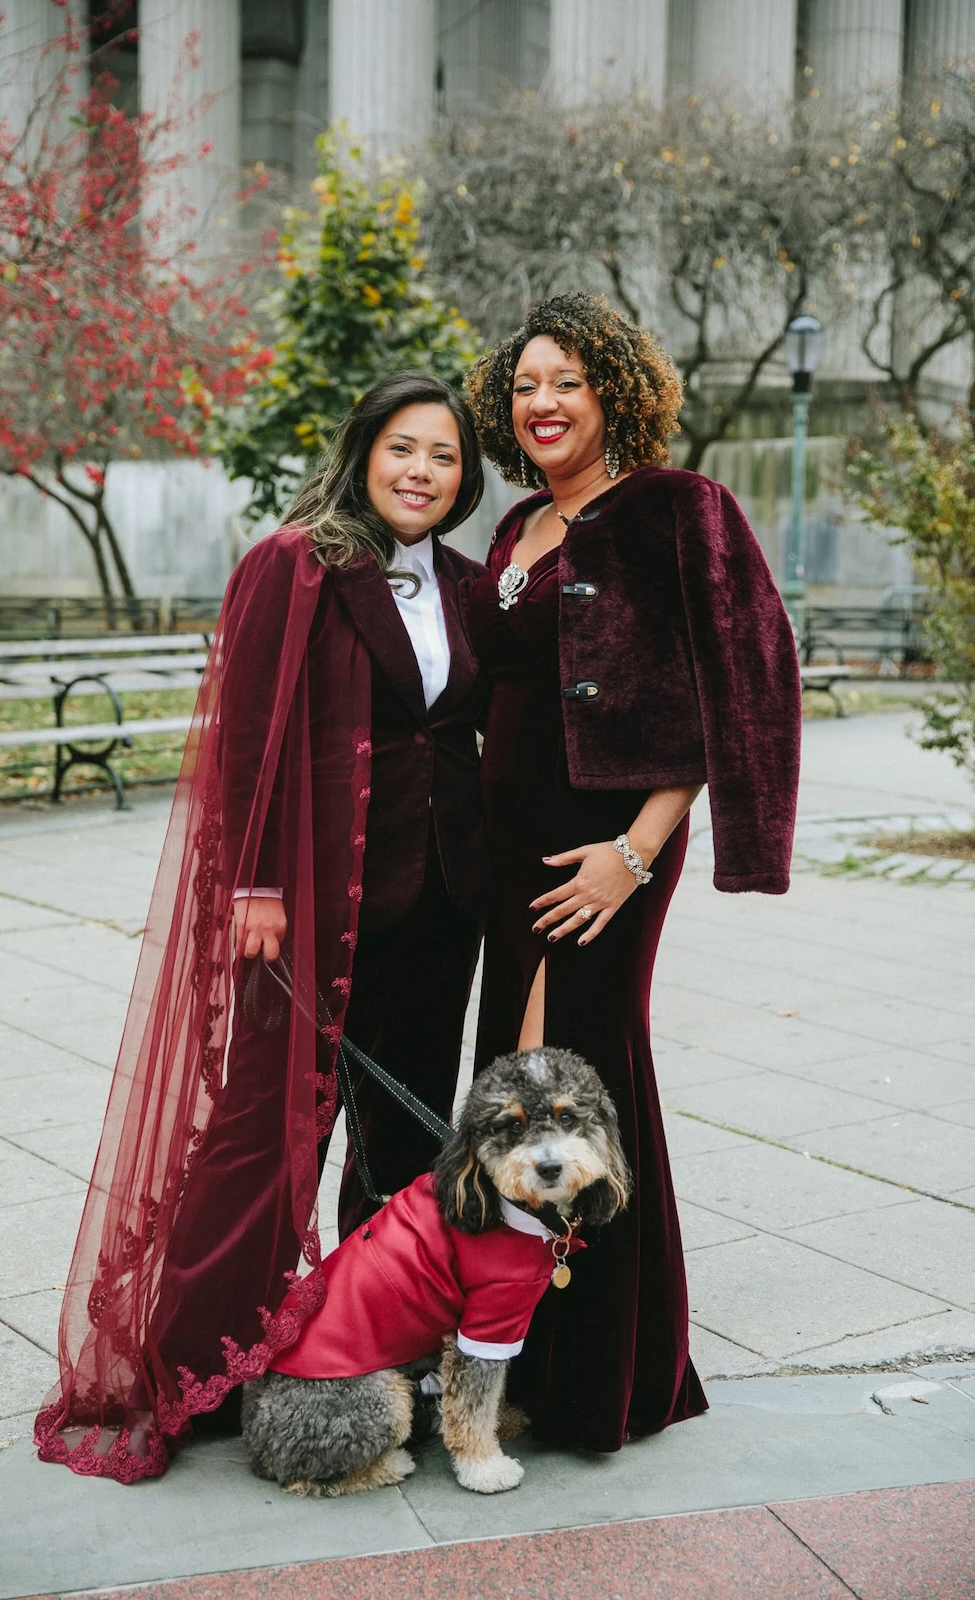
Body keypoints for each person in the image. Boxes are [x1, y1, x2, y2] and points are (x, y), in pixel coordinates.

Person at [35, 372, 489, 1481]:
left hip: (444, 899)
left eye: (443, 456)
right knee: (267, 1127)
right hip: (317, 899)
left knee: (406, 1140)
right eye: (403, 449)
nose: (422, 471)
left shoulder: (471, 587)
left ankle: (375, 1344)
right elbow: (247, 732)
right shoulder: (294, 563)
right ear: (362, 452)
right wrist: (250, 887)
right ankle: (197, 1362)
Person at [464, 292, 802, 1454]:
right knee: (510, 1088)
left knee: (590, 1084)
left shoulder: (674, 507)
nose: (543, 402)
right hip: (509, 856)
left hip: (605, 848)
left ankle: (613, 1377)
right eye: (523, 387)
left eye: (565, 380)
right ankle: (518, 1357)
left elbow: (734, 679)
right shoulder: (514, 528)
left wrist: (636, 851)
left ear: (613, 389)